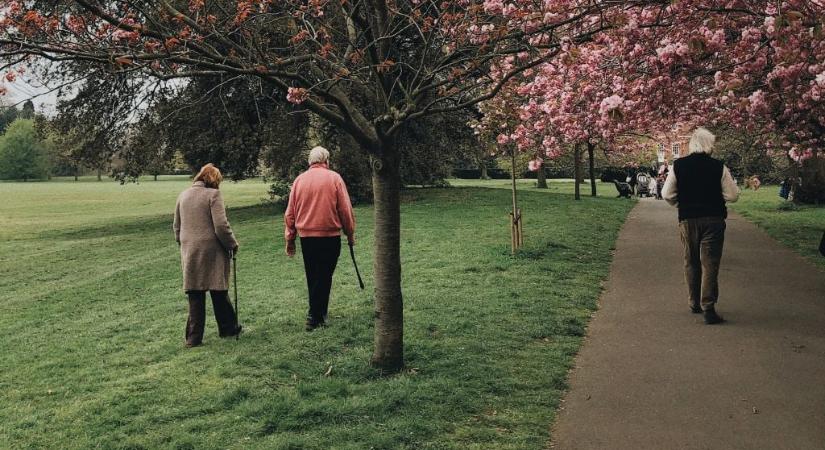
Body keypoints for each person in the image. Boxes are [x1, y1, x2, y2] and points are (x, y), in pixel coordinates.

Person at [662, 128, 740, 324]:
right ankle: (708, 306)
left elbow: (667, 194)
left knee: (691, 261)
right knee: (710, 263)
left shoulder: (679, 166)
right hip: (713, 220)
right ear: (709, 145)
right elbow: (733, 195)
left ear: (692, 145)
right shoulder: (718, 167)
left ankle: (694, 302)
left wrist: (682, 203)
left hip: (688, 219)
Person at [285, 146, 356, 331]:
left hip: (306, 237)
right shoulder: (334, 178)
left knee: (313, 275)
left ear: (310, 161)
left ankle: (318, 313)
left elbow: (290, 214)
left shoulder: (299, 180)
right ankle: (314, 315)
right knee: (324, 276)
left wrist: (290, 238)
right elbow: (345, 210)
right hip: (329, 236)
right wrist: (350, 233)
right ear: (326, 160)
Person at [173, 164, 242, 347]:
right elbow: (221, 225)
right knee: (218, 289)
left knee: (195, 293)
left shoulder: (184, 195)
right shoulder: (213, 195)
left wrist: (184, 243)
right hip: (212, 249)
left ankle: (193, 338)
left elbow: (176, 226)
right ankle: (228, 328)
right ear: (213, 179)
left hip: (190, 249)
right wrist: (232, 243)